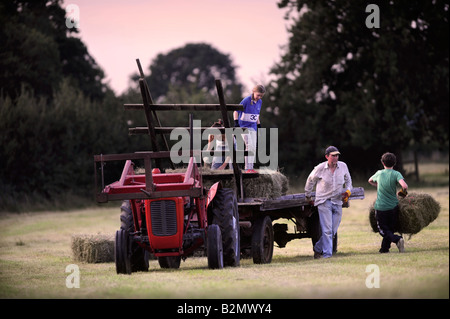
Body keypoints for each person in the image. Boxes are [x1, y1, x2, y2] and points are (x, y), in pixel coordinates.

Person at [305, 146, 353, 259]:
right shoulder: (320, 168)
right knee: (327, 230)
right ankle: (327, 255)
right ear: (327, 157)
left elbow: (349, 181)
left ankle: (317, 248)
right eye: (333, 155)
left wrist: (348, 191)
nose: (336, 157)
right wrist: (308, 196)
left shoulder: (343, 166)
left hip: (338, 201)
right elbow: (310, 181)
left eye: (337, 155)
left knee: (332, 231)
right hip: (323, 201)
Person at [368, 152, 408, 253]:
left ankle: (397, 239)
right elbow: (405, 186)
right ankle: (384, 249)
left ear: (382, 162)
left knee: (383, 230)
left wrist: (378, 185)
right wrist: (403, 194)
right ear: (394, 163)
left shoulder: (379, 173)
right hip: (394, 207)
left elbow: (370, 180)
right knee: (390, 228)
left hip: (381, 207)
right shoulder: (396, 174)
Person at [233, 84, 265, 173]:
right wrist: (236, 123)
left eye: (261, 96)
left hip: (253, 127)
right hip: (244, 127)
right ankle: (247, 168)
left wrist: (259, 126)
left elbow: (256, 115)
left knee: (253, 147)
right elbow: (235, 111)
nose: (259, 97)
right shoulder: (246, 100)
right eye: (258, 95)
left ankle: (251, 167)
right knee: (249, 145)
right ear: (253, 92)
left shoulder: (260, 102)